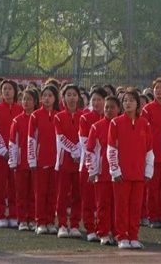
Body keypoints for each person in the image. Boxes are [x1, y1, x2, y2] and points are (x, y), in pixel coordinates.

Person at [107, 89, 153, 249]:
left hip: (139, 174)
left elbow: (149, 150)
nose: (128, 103)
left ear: (137, 104)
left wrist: (148, 171)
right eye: (125, 100)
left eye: (131, 100)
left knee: (135, 207)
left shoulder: (145, 124)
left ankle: (133, 236)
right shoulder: (115, 123)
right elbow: (111, 149)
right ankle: (122, 237)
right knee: (121, 207)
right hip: (121, 175)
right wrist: (115, 170)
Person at [86, 95, 120, 245]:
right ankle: (103, 232)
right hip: (102, 173)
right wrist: (92, 170)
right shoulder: (96, 127)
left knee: (117, 205)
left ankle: (117, 232)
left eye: (112, 107)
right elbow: (90, 150)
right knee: (103, 204)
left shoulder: (123, 124)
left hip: (120, 173)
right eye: (107, 107)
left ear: (118, 109)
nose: (109, 110)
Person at [0, 79, 21, 229]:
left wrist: (14, 152)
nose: (7, 91)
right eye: (4, 89)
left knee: (14, 186)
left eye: (10, 89)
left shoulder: (20, 109)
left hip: (16, 155)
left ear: (15, 92)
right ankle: (0, 215)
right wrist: (3, 151)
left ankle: (13, 214)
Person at [140, 78, 161, 229]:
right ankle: (152, 217)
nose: (158, 90)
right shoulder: (148, 109)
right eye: (156, 88)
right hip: (153, 154)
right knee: (152, 188)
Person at [28, 84, 60, 234]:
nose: (47, 99)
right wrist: (32, 159)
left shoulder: (58, 116)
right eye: (45, 96)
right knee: (40, 194)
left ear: (55, 99)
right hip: (40, 161)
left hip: (55, 162)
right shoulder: (35, 116)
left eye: (50, 96)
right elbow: (31, 139)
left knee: (53, 193)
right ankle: (40, 222)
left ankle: (50, 221)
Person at [54, 85, 84, 238]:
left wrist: (79, 152)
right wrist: (74, 151)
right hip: (64, 160)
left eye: (74, 95)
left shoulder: (83, 116)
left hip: (79, 162)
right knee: (62, 195)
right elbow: (60, 137)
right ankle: (62, 225)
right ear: (63, 98)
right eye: (68, 95)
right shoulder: (58, 117)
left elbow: (85, 136)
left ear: (78, 97)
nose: (72, 98)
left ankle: (75, 225)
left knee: (77, 195)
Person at [8, 88, 38, 231]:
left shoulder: (38, 118)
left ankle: (32, 218)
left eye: (29, 99)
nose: (25, 102)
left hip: (36, 163)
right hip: (20, 163)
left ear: (35, 102)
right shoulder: (17, 120)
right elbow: (12, 142)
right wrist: (13, 161)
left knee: (33, 193)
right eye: (24, 99)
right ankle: (22, 220)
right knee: (21, 193)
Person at [78, 88, 105, 240]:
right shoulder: (85, 118)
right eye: (93, 99)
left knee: (102, 201)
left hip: (106, 166)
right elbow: (85, 143)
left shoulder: (112, 118)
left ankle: (103, 228)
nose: (96, 103)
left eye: (99, 99)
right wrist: (92, 166)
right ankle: (90, 229)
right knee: (88, 199)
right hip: (88, 165)